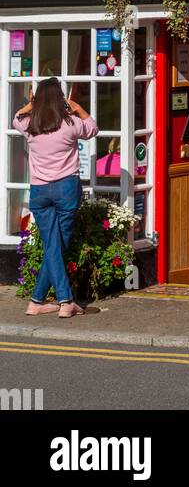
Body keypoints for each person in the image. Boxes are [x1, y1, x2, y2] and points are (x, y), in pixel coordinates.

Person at [13, 78, 98, 318]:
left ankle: (36, 302)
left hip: (40, 191)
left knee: (53, 245)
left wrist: (30, 105)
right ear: (61, 98)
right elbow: (92, 128)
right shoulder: (70, 123)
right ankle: (66, 300)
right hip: (66, 189)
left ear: (37, 99)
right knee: (57, 245)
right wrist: (76, 106)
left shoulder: (30, 124)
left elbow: (16, 118)